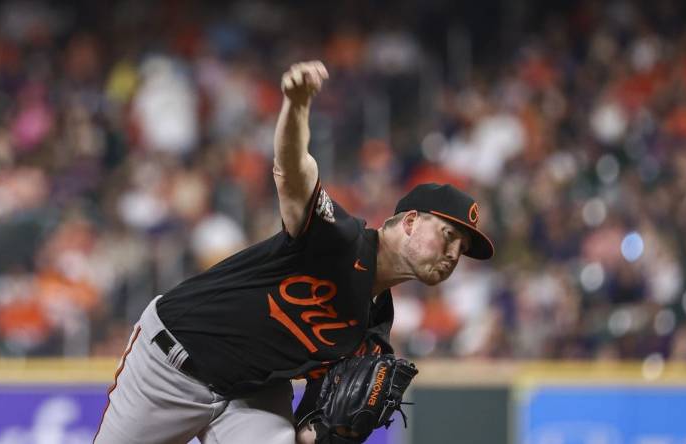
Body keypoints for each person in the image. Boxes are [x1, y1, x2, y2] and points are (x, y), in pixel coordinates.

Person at [94, 61, 494, 444]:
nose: (454, 252)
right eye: (448, 235)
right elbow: (292, 172)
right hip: (173, 362)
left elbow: (310, 428)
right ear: (408, 222)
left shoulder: (372, 334)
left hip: (252, 395)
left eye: (463, 248)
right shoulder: (339, 238)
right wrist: (297, 105)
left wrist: (324, 434)